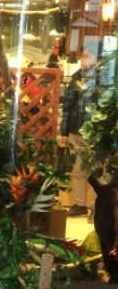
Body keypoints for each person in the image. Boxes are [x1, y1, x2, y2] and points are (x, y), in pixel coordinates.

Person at [60, 48, 98, 217]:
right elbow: (67, 105)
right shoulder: (76, 77)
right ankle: (80, 204)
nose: (83, 60)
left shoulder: (103, 78)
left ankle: (98, 207)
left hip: (95, 132)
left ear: (96, 59)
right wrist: (64, 131)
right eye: (82, 57)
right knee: (78, 170)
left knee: (98, 172)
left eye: (87, 57)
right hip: (77, 130)